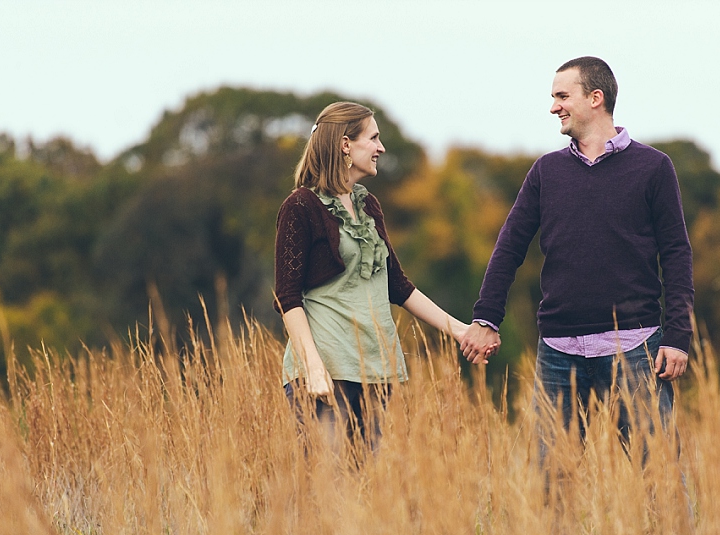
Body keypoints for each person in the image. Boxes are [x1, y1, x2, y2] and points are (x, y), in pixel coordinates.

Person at [460, 56, 694, 466]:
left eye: (563, 96)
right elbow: (509, 247)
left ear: (596, 98)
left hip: (636, 348)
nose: (554, 107)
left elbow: (676, 255)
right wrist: (485, 318)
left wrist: (677, 336)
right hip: (558, 351)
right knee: (552, 485)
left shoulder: (654, 167)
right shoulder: (545, 172)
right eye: (554, 98)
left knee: (659, 481)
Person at [274, 101, 486, 457]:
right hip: (326, 370)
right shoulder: (301, 206)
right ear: (345, 145)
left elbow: (397, 285)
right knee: (328, 487)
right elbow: (287, 296)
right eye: (373, 138)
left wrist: (460, 330)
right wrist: (312, 366)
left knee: (362, 487)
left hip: (373, 368)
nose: (380, 148)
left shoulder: (368, 205)